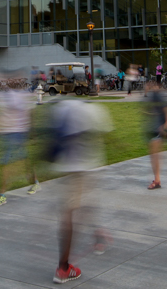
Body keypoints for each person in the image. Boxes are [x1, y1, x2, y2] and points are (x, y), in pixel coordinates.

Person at [49, 95, 113, 284]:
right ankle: (64, 268)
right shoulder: (93, 110)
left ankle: (96, 233)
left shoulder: (60, 108)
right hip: (88, 167)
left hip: (69, 168)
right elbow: (107, 133)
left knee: (75, 210)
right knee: (82, 209)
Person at [0, 83, 39, 207]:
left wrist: (31, 132)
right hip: (9, 133)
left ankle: (2, 194)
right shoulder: (5, 97)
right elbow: (3, 115)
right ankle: (35, 181)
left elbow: (29, 114)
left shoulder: (22, 96)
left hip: (18, 133)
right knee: (23, 159)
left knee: (7, 163)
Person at [143, 80, 167, 189]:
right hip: (157, 127)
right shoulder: (153, 95)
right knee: (158, 153)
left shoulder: (158, 95)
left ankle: (158, 180)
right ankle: (161, 178)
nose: (147, 87)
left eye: (149, 85)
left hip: (161, 127)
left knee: (156, 154)